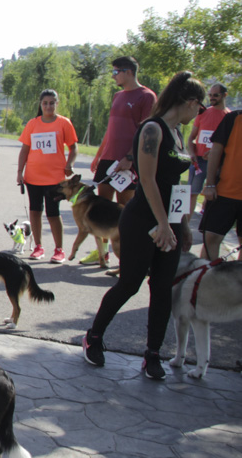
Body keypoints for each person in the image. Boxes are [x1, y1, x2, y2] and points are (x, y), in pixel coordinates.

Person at [82, 72, 203, 380]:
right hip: (143, 220)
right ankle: (94, 336)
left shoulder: (177, 133)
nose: (198, 113)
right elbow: (147, 180)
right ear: (190, 102)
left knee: (162, 288)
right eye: (198, 107)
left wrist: (182, 224)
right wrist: (163, 224)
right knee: (129, 283)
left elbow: (176, 185)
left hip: (170, 221)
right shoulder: (153, 129)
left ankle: (152, 354)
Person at [83, 56, 157, 265]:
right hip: (109, 159)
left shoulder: (147, 96)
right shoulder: (117, 96)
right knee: (102, 209)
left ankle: (129, 256)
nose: (113, 76)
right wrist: (99, 155)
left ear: (129, 72)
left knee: (126, 210)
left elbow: (147, 132)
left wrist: (130, 157)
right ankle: (102, 253)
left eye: (116, 72)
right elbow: (111, 129)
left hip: (128, 162)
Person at [16, 90, 78, 263]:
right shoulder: (32, 124)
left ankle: (59, 249)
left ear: (57, 104)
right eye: (45, 103)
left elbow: (74, 148)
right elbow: (25, 150)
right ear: (40, 104)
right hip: (33, 177)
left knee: (52, 213)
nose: (48, 106)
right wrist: (19, 172)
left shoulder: (64, 123)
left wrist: (69, 164)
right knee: (35, 211)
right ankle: (38, 247)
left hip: (55, 178)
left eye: (52, 103)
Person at [199, 88, 242, 260]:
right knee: (211, 238)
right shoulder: (234, 118)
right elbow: (216, 150)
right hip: (225, 191)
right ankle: (204, 281)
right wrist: (209, 184)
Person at [187, 83, 229, 216]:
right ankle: (185, 226)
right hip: (199, 161)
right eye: (210, 95)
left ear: (224, 95)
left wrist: (216, 153)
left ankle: (205, 223)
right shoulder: (203, 113)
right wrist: (192, 154)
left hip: (218, 163)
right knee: (192, 194)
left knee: (211, 196)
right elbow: (191, 138)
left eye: (215, 95)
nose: (212, 98)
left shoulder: (229, 117)